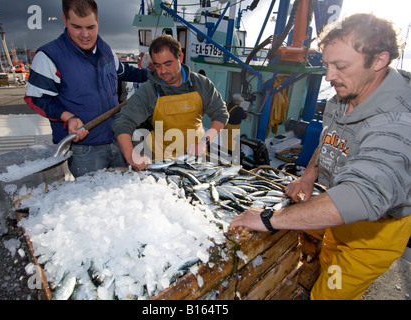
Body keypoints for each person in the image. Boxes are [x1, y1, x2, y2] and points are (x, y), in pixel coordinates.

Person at [229, 13, 411, 300]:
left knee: (328, 296)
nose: (328, 76)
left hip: (372, 236)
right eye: (326, 65)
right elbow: (329, 137)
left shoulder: (399, 122)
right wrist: (309, 174)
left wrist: (267, 218)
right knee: (328, 268)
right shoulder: (347, 93)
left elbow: (359, 197)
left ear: (378, 61)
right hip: (337, 224)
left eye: (339, 66)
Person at [24, 0, 149, 178]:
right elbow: (36, 99)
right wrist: (68, 117)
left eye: (91, 27)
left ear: (98, 20)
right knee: (91, 200)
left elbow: (123, 71)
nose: (85, 35)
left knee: (121, 196)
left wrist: (156, 75)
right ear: (64, 20)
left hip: (117, 140)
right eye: (76, 27)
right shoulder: (48, 56)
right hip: (84, 150)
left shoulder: (105, 49)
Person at [112, 35, 229, 170]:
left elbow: (221, 114)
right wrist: (131, 154)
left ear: (181, 58)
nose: (163, 71)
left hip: (196, 160)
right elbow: (123, 121)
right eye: (157, 65)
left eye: (168, 64)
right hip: (162, 162)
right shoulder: (149, 90)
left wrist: (204, 142)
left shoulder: (201, 83)